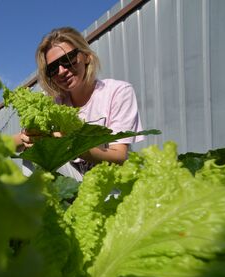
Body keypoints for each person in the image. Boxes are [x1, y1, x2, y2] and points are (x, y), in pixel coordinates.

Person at [13, 27, 144, 181]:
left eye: (68, 60)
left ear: (86, 57)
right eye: (53, 68)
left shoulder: (118, 91)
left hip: (110, 181)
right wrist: (27, 137)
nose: (61, 71)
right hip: (75, 180)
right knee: (34, 153)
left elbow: (120, 157)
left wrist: (69, 144)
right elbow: (17, 141)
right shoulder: (53, 103)